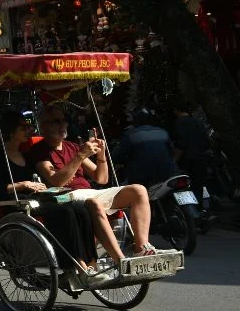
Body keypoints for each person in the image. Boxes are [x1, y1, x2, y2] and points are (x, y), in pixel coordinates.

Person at [0, 111, 104, 285]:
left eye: (29, 126)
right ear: (11, 131)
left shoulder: (26, 155)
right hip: (18, 204)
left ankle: (91, 265)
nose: (29, 130)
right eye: (23, 127)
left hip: (40, 199)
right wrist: (23, 184)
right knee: (66, 214)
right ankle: (77, 267)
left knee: (81, 209)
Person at [29, 106, 155, 264]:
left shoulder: (72, 146)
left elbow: (101, 178)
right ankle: (120, 260)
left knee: (138, 190)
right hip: (65, 195)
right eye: (56, 121)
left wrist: (101, 156)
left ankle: (142, 248)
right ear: (43, 125)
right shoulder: (39, 151)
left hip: (89, 192)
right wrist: (80, 156)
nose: (62, 125)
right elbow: (56, 181)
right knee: (94, 203)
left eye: (64, 120)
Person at [113, 107, 181, 187]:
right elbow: (171, 152)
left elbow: (117, 156)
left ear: (136, 119)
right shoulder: (163, 132)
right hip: (170, 173)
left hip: (143, 178)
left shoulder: (130, 135)